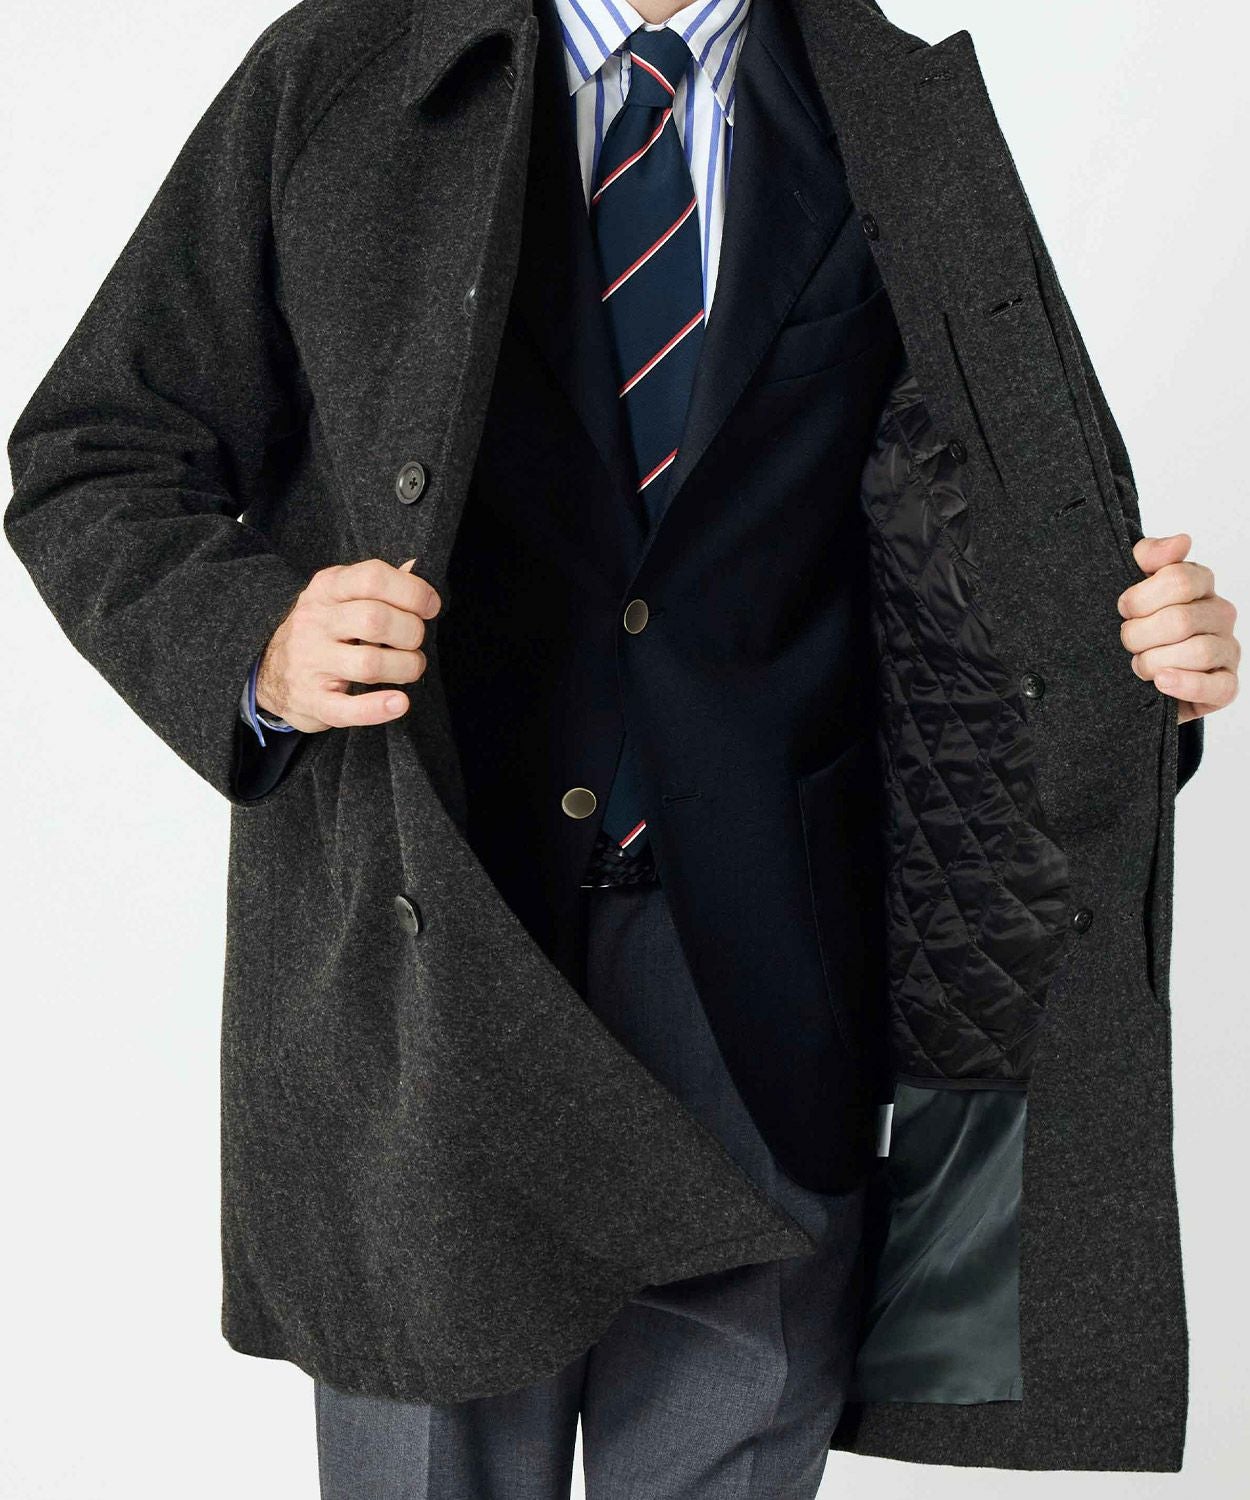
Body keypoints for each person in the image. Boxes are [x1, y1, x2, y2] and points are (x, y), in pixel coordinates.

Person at [5, 0, 1239, 1494]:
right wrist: (256, 646)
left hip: (769, 993)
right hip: (434, 976)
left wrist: (1125, 672)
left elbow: (968, 538)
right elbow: (95, 449)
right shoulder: (342, 71)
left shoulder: (890, 102)